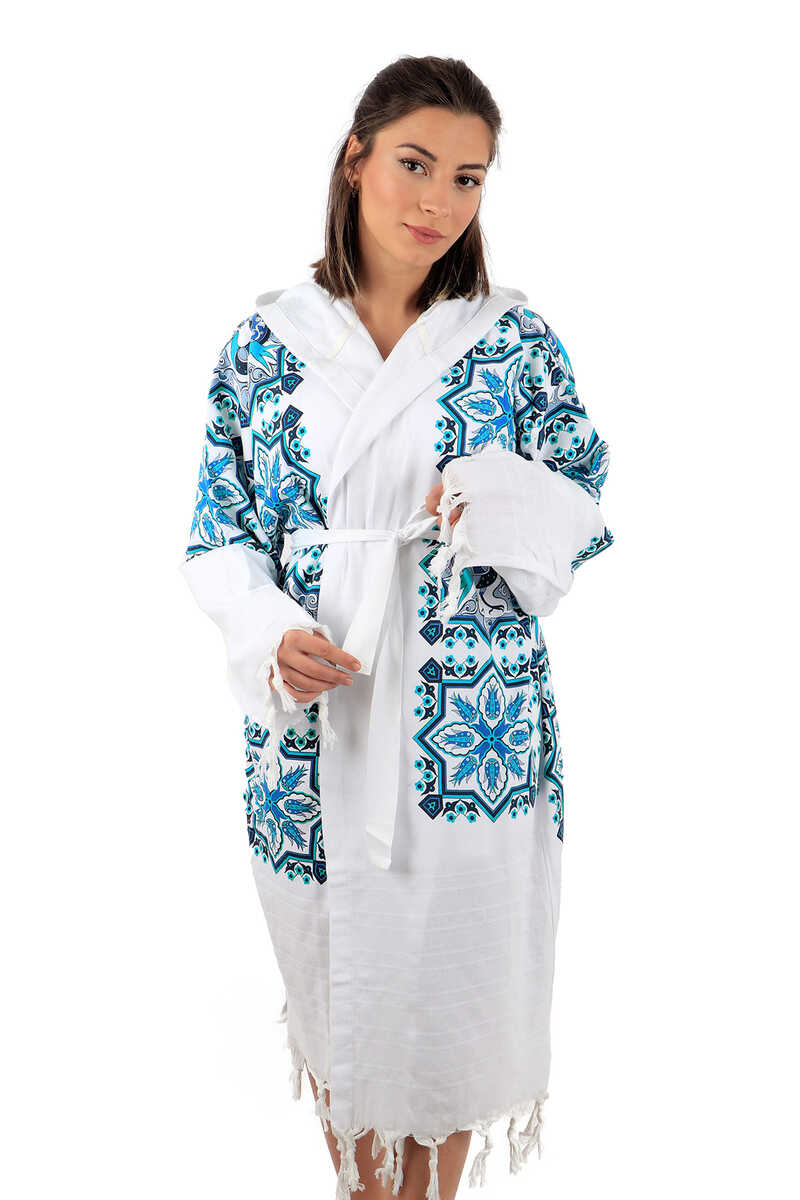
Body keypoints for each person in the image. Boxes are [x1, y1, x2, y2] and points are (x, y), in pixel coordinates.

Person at [180, 54, 614, 1200]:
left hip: (467, 732)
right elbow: (218, 535)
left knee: (453, 1024)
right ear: (354, 160)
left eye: (467, 178)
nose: (438, 202)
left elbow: (581, 499)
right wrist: (266, 632)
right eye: (415, 165)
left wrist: (489, 495)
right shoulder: (265, 345)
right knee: (343, 1021)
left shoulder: (510, 341)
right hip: (316, 723)